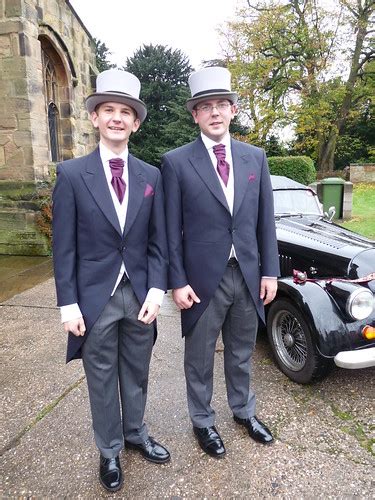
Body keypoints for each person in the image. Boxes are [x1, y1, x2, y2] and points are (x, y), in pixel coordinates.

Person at [52, 69, 170, 492]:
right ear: (95, 118)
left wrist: (157, 291)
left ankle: (136, 434)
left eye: (125, 112)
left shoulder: (151, 176)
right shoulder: (71, 174)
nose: (117, 118)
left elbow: (159, 241)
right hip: (95, 298)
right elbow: (63, 247)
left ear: (136, 123)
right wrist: (68, 305)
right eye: (109, 110)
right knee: (101, 377)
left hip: (139, 295)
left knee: (137, 371)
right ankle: (109, 449)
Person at [162, 66, 280, 458]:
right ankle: (203, 421)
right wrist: (177, 282)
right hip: (200, 282)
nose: (215, 112)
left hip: (246, 277)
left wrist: (270, 272)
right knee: (198, 357)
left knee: (241, 351)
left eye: (222, 105)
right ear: (195, 114)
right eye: (205, 106)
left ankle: (244, 411)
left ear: (232, 110)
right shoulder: (176, 163)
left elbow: (265, 221)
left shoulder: (255, 158)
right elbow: (169, 229)